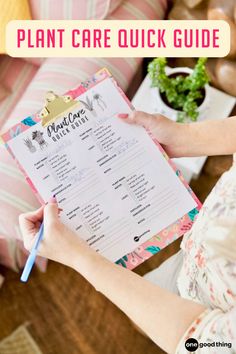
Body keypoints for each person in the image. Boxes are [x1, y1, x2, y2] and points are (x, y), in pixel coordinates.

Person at [19, 111, 236, 354]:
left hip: (200, 313)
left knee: (149, 314)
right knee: (153, 292)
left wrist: (78, 257)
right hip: (193, 259)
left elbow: (200, 343)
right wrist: (183, 137)